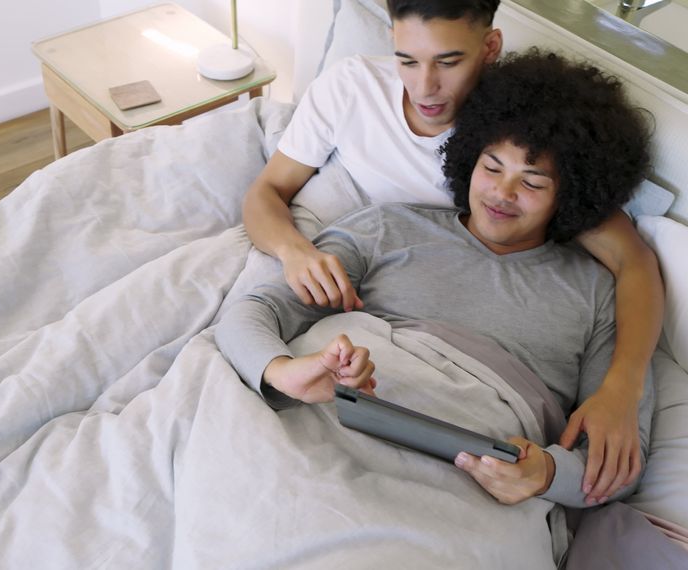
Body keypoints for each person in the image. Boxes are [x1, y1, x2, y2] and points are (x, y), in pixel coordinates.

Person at [241, 0, 663, 504]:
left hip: (466, 463)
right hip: (336, 401)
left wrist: (556, 462)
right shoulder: (384, 216)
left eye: (532, 182)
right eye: (407, 60)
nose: (424, 87)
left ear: (489, 48)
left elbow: (636, 264)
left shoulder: (592, 286)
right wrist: (293, 271)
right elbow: (254, 302)